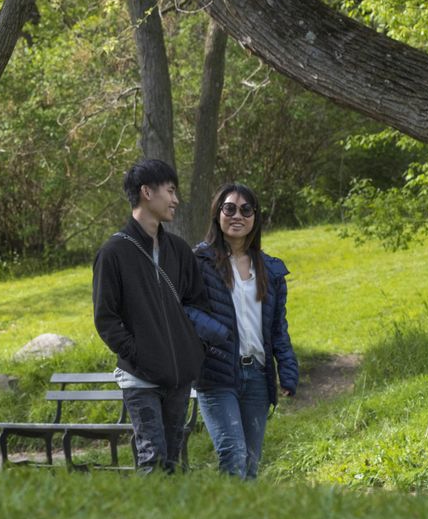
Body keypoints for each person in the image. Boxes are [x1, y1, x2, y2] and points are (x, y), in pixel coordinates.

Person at [92, 158, 227, 474]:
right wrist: (139, 355)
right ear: (146, 193)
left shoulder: (179, 251)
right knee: (152, 457)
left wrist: (193, 350)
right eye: (170, 191)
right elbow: (106, 318)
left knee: (171, 460)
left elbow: (198, 305)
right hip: (139, 376)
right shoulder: (113, 253)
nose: (176, 199)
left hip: (179, 375)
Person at [189, 183, 299, 479]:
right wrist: (215, 333)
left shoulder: (271, 270)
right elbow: (182, 309)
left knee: (250, 462)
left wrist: (287, 370)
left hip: (257, 377)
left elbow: (278, 328)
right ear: (218, 214)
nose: (237, 216)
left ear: (255, 217)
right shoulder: (199, 263)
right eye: (230, 208)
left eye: (246, 210)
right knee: (233, 455)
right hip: (216, 374)